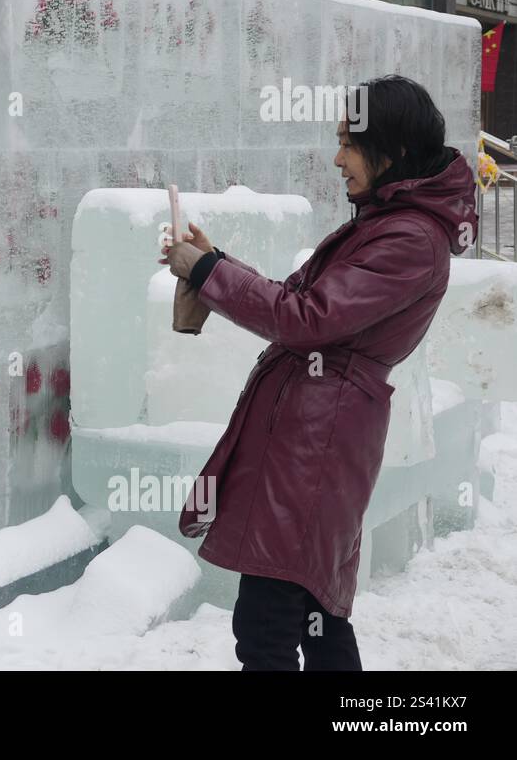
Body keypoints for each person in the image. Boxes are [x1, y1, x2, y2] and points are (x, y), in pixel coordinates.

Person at [159, 75, 478, 670]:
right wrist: (216, 264)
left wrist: (207, 272)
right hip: (313, 435)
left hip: (318, 444)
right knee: (315, 616)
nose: (336, 159)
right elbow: (303, 302)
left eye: (348, 144)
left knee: (266, 625)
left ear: (394, 149)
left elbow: (306, 318)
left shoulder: (408, 237)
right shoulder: (386, 220)